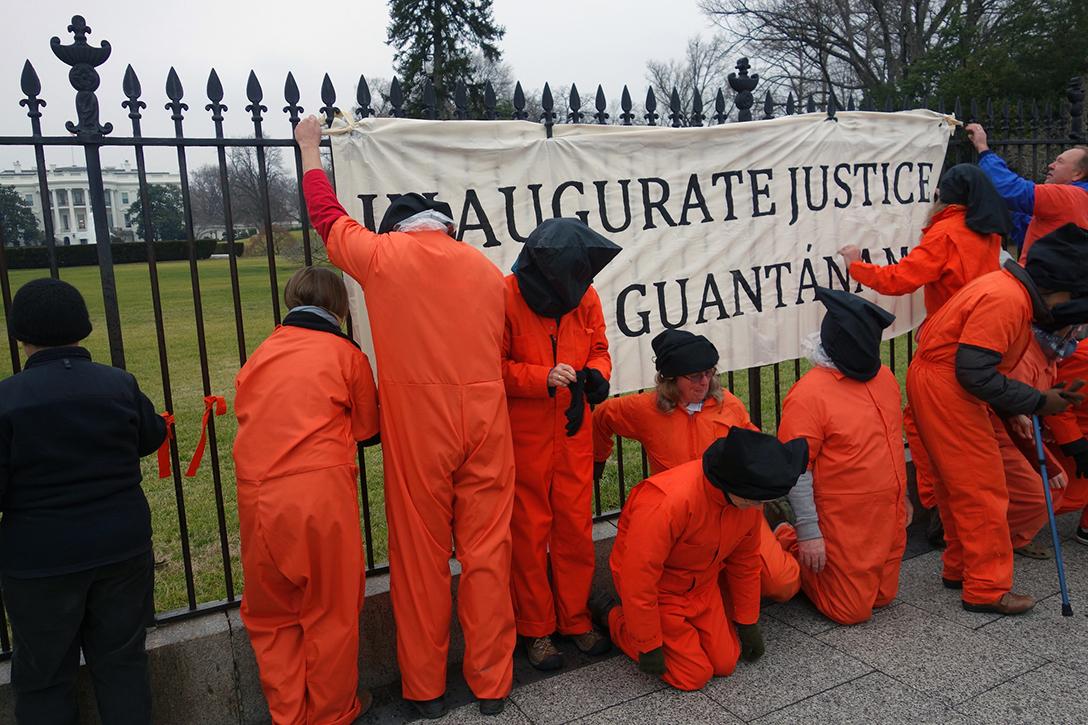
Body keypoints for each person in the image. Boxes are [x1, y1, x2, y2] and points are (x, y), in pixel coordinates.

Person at [294, 116, 517, 719]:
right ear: (445, 227)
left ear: (397, 229)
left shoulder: (385, 257)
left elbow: (326, 216)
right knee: (488, 552)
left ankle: (424, 689)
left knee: (420, 559)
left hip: (421, 422)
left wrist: (310, 149)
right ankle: (493, 683)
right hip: (487, 419)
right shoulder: (488, 272)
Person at [0, 278, 167, 724]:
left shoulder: (8, 399)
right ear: (83, 327)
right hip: (122, 545)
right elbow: (151, 435)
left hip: (40, 558)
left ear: (20, 333)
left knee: (44, 676)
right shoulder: (118, 384)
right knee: (122, 663)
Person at [905, 223, 1088, 614]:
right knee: (982, 489)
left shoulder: (1006, 289)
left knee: (956, 486)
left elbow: (979, 367)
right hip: (949, 388)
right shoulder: (1007, 299)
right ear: (1061, 293)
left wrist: (1017, 406)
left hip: (941, 383)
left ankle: (959, 568)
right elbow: (974, 373)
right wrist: (1038, 401)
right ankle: (986, 589)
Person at [233, 267, 380, 725]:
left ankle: (289, 714)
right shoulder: (345, 354)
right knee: (330, 610)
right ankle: (334, 713)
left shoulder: (259, 355)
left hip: (257, 498)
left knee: (270, 616)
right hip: (319, 496)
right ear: (339, 308)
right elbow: (367, 429)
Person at [841, 164, 1010, 545]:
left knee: (926, 428)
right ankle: (946, 516)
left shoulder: (946, 232)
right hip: (981, 342)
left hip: (946, 346)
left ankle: (938, 509)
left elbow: (901, 278)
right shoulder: (989, 232)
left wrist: (856, 265)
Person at [590, 329, 800, 602]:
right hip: (683, 522)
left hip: (734, 513)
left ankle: (781, 534)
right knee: (691, 595)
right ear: (670, 379)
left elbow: (756, 448)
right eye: (694, 376)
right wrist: (597, 459)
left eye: (709, 372)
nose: (704, 381)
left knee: (781, 585)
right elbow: (601, 418)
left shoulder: (730, 406)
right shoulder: (643, 410)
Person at [601, 427, 807, 691]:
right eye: (755, 501)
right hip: (661, 593)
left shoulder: (745, 497)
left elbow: (745, 564)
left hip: (703, 586)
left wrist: (747, 621)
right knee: (692, 676)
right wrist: (648, 643)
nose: (759, 510)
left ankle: (672, 636)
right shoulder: (666, 503)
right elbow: (638, 579)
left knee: (726, 663)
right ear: (732, 487)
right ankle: (615, 619)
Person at [502, 217, 619, 670]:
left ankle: (574, 619)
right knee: (528, 534)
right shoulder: (505, 295)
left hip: (573, 431)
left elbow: (600, 349)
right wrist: (540, 379)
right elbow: (492, 365)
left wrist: (597, 376)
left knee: (574, 529)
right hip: (524, 433)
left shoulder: (584, 294)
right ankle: (536, 630)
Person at [770, 288, 910, 625]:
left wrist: (901, 498)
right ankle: (787, 541)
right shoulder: (808, 395)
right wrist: (808, 533)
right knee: (849, 612)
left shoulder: (885, 378)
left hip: (886, 515)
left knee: (883, 598)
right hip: (842, 522)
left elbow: (891, 443)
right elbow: (796, 469)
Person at [965, 123, 1088, 261]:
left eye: (1060, 162)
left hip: (1040, 278)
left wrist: (983, 148)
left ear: (1077, 174)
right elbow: (1028, 225)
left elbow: (1010, 189)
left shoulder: (1068, 196)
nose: (1051, 165)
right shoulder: (1079, 201)